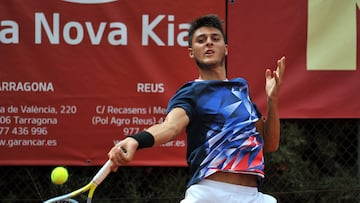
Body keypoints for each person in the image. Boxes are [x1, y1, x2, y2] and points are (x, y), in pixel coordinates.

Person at [108, 14, 285, 203]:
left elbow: (270, 143)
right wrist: (136, 140)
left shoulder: (240, 90)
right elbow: (170, 127)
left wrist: (272, 101)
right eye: (201, 40)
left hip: (253, 196)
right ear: (192, 52)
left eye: (215, 39)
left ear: (225, 49)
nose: (209, 43)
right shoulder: (191, 93)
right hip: (209, 194)